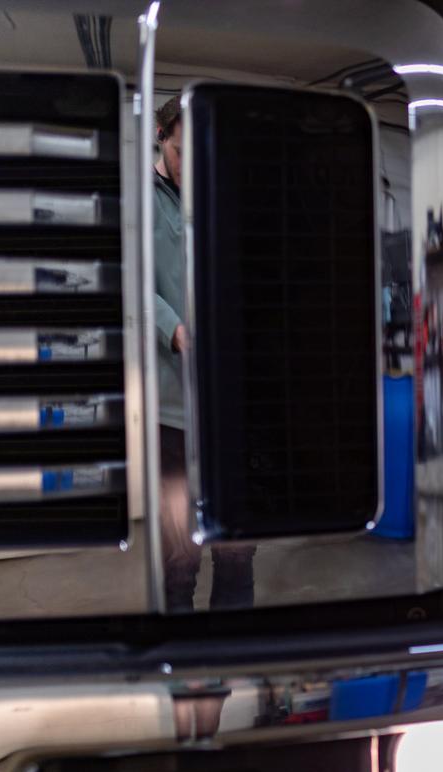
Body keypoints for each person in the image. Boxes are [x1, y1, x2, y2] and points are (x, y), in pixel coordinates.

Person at [153, 94, 255, 611]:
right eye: (179, 152)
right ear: (160, 139)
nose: (187, 166)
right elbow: (130, 279)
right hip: (173, 407)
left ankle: (232, 651)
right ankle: (181, 656)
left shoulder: (223, 193)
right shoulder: (142, 201)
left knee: (236, 546)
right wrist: (172, 328)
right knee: (180, 556)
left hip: (231, 404)